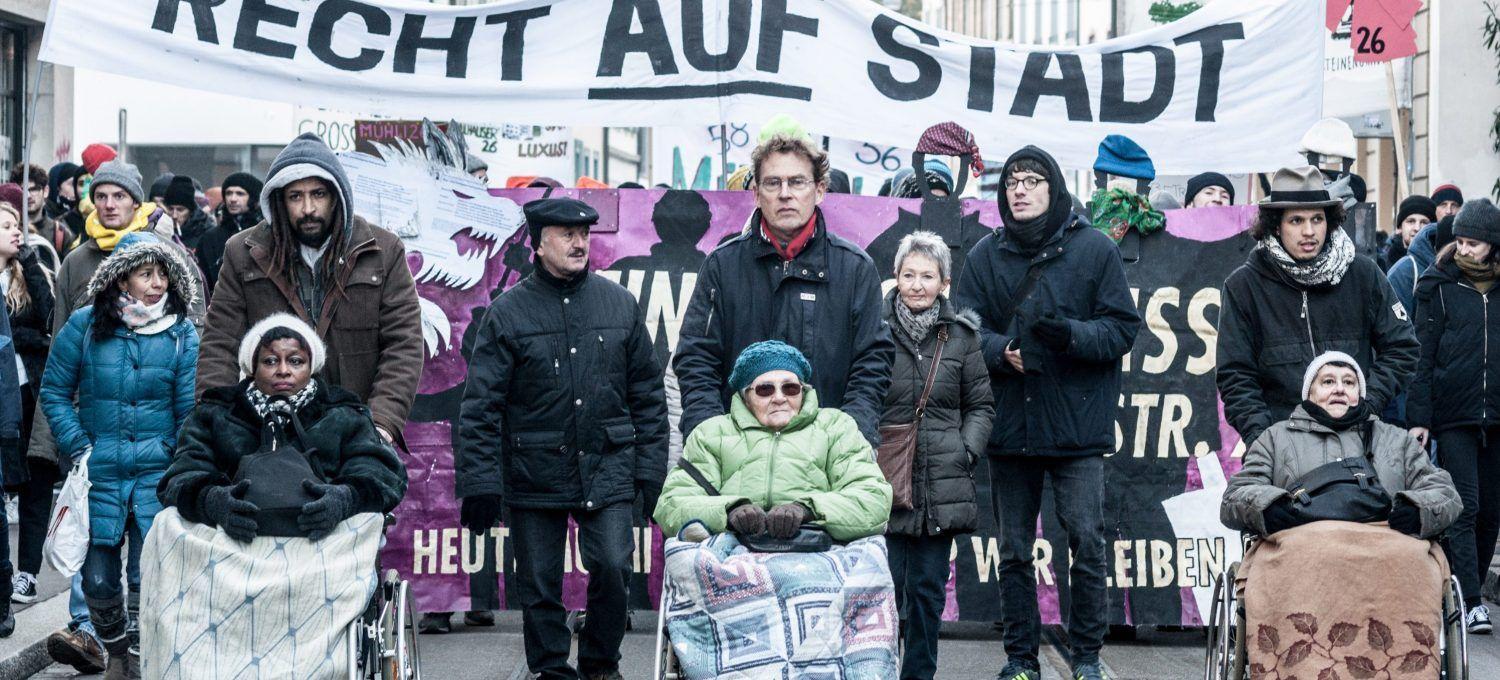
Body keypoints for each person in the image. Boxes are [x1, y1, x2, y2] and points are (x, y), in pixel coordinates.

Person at [456, 197, 668, 680]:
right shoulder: (507, 314)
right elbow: (481, 405)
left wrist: (651, 470)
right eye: (566, 234)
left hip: (608, 462)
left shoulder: (618, 303)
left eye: (585, 234)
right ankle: (550, 667)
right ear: (537, 244)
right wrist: (480, 483)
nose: (579, 242)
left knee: (614, 566)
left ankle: (600, 664)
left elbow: (648, 397)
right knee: (538, 581)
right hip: (534, 466)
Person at [954, 145, 1140, 680]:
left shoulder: (1095, 250)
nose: (1020, 188)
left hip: (1076, 426)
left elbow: (1123, 328)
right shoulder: (984, 256)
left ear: (1053, 188)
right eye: (1012, 180)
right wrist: (999, 352)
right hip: (1011, 426)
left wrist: (1071, 336)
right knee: (1013, 549)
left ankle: (1086, 656)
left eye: (1033, 180)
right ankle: (1020, 660)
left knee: (1085, 540)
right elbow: (965, 327)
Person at [194, 133, 423, 449]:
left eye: (318, 194)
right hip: (269, 436)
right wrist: (215, 423)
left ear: (337, 196)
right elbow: (220, 343)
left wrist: (381, 425)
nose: (308, 208)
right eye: (295, 197)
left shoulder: (381, 250)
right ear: (279, 199)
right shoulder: (244, 252)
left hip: (355, 434)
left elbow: (404, 344)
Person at [40, 232, 200, 679]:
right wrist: (79, 445)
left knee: (147, 578)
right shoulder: (86, 324)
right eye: (146, 273)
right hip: (100, 472)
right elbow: (54, 392)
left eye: (163, 273)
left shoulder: (181, 332)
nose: (157, 283)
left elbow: (190, 409)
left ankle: (138, 661)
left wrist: (176, 452)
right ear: (121, 277)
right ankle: (112, 647)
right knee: (97, 580)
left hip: (157, 472)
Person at [674, 133, 893, 447]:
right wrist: (711, 438)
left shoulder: (856, 269)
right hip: (738, 453)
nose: (785, 194)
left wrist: (851, 438)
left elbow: (872, 364)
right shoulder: (722, 266)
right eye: (773, 183)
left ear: (819, 190)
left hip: (827, 455)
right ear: (756, 193)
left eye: (797, 182)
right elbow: (696, 358)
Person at [1216, 166, 1419, 449]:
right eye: (1296, 220)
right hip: (1281, 444)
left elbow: (1403, 347)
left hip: (1356, 440)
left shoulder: (1363, 274)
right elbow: (1235, 374)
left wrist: (1366, 403)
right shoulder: (1244, 286)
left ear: (1330, 221)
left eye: (1317, 219)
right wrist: (1262, 438)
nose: (1309, 231)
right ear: (1276, 225)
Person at [160, 313, 406, 539]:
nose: (283, 371)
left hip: (325, 544)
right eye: (270, 361)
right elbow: (181, 475)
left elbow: (380, 473)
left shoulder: (343, 413)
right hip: (230, 544)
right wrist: (212, 502)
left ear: (312, 367)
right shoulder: (215, 414)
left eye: (296, 361)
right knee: (165, 523)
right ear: (252, 368)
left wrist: (344, 499)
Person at [880, 232, 993, 680]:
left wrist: (965, 451)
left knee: (927, 590)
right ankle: (880, 668)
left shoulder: (962, 337)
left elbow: (981, 405)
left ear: (944, 282)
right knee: (885, 588)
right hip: (884, 477)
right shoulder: (873, 329)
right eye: (909, 274)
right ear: (895, 277)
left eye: (927, 276)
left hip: (941, 481)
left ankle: (919, 674)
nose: (917, 284)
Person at [654, 340, 892, 541]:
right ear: (746, 396)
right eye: (765, 390)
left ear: (803, 390)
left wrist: (807, 510)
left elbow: (873, 500)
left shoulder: (836, 428)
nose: (779, 398)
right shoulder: (712, 433)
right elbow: (672, 505)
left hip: (815, 555)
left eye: (790, 388)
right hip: (734, 560)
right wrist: (728, 511)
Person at [1222, 352, 1460, 540]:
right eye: (1328, 381)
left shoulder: (1397, 440)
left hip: (1385, 554)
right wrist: (1267, 507)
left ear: (1360, 393)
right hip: (1302, 556)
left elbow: (1446, 493)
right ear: (1309, 393)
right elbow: (1234, 496)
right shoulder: (1274, 439)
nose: (1339, 389)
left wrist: (1418, 510)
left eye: (1349, 382)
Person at [1408, 197, 1500, 634]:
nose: (1464, 250)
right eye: (1460, 241)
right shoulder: (1437, 284)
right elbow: (1422, 356)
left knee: (1492, 512)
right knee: (1465, 504)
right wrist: (1419, 417)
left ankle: (1469, 585)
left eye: (1474, 244)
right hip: (1454, 413)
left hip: (1498, 414)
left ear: (1492, 246)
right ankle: (1472, 601)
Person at [51, 160, 201, 331]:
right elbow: (61, 338)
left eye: (119, 196)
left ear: (136, 202)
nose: (109, 205)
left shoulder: (172, 256)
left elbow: (196, 328)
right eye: (101, 196)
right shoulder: (75, 262)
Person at [0, 202, 59, 609]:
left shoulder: (32, 272)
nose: (15, 231)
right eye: (5, 226)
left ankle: (28, 574)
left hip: (30, 394)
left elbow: (50, 317)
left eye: (16, 225)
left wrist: (30, 262)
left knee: (37, 484)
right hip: (3, 399)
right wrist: (27, 337)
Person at [199, 171, 264, 298]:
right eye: (229, 193)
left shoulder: (264, 233)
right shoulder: (210, 238)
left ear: (253, 198)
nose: (233, 199)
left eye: (240, 193)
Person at [10, 163, 72, 260]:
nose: (28, 196)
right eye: (22, 190)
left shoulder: (60, 233)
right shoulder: (10, 231)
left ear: (46, 191)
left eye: (33, 189)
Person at [1382, 195, 1437, 271]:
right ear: (1400, 227)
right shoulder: (1381, 265)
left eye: (1424, 222)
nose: (1417, 228)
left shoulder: (1440, 264)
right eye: (1411, 221)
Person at [161, 175, 213, 253]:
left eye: (180, 210)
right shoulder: (159, 231)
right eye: (170, 209)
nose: (174, 215)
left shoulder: (206, 232)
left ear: (191, 211)